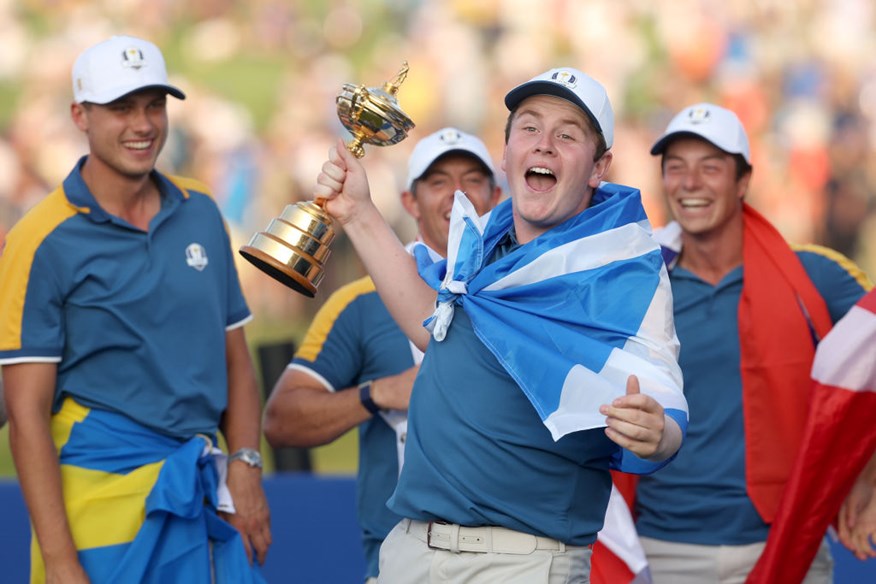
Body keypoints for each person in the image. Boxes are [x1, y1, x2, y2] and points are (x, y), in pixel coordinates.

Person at [314, 66, 689, 583]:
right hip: (410, 548)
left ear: (599, 166)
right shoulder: (485, 241)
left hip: (522, 560)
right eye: (530, 128)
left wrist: (658, 431)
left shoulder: (620, 265)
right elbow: (436, 328)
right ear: (507, 151)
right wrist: (356, 212)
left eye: (567, 134)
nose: (544, 146)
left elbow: (661, 392)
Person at [0, 35, 270, 583]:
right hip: (94, 498)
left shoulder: (201, 212)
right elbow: (25, 414)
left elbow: (235, 358)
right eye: (121, 108)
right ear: (81, 115)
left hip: (196, 490)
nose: (142, 124)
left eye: (154, 105)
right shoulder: (40, 238)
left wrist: (245, 463)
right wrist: (58, 561)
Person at [634, 102, 872, 583]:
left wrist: (869, 479)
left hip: (788, 546)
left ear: (743, 181)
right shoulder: (635, 282)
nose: (690, 182)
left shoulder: (813, 277)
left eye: (710, 167)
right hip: (663, 553)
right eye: (675, 167)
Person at [262, 127, 502, 583]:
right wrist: (380, 393)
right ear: (409, 201)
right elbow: (281, 420)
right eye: (438, 182)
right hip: (401, 560)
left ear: (497, 195)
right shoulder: (360, 302)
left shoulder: (521, 293)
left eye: (472, 180)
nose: (457, 194)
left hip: (509, 558)